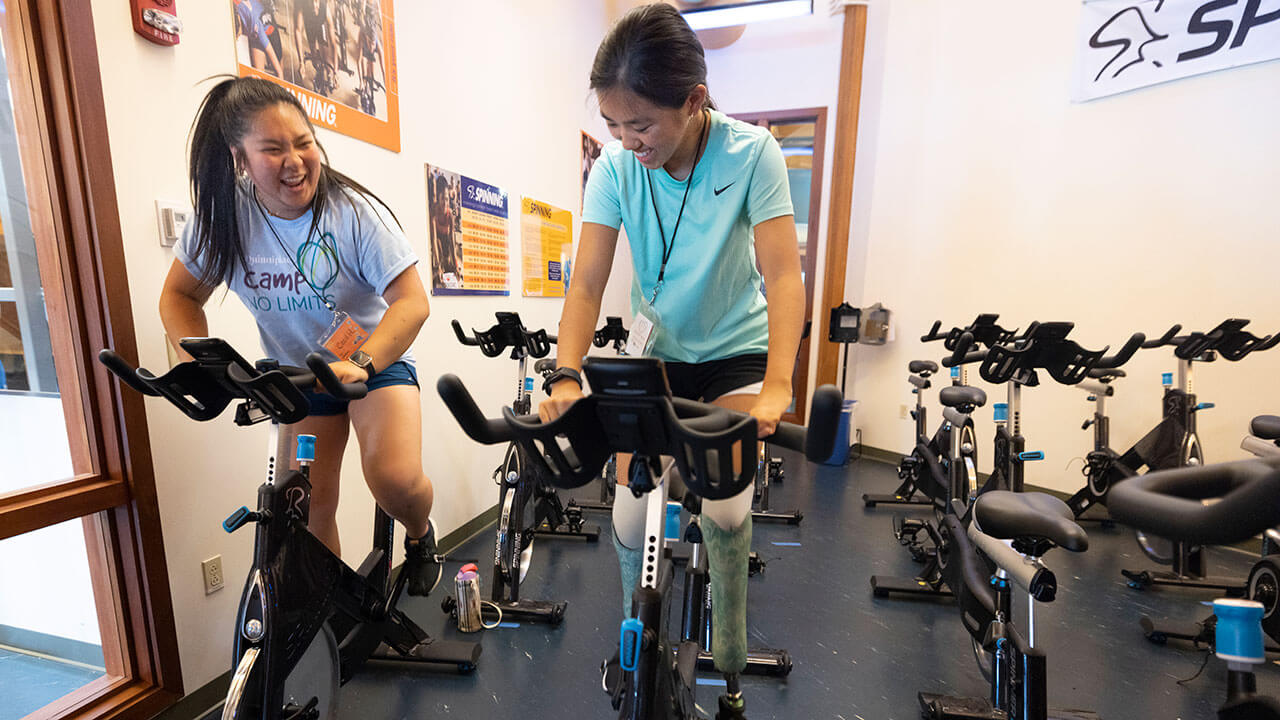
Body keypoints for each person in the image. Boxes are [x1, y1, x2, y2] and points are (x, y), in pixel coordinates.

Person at [537, 5, 804, 718]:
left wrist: (779, 383)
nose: (626, 141)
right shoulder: (617, 169)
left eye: (641, 125)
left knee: (721, 504)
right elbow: (587, 282)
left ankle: (732, 645)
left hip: (736, 354)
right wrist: (566, 372)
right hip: (658, 352)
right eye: (614, 124)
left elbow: (782, 277)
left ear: (694, 100)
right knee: (629, 514)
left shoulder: (753, 155)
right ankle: (640, 630)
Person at [159, 77, 441, 596]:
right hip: (296, 374)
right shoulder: (224, 218)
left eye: (303, 143)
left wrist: (361, 362)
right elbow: (178, 297)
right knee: (306, 507)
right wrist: (192, 362)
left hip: (372, 361)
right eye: (273, 148)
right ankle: (328, 619)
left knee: (394, 479)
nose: (295, 160)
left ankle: (421, 535)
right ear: (239, 157)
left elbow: (412, 302)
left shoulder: (353, 212)